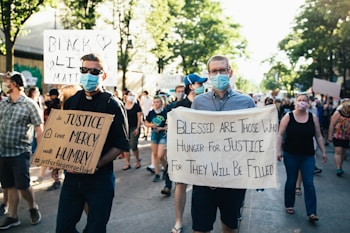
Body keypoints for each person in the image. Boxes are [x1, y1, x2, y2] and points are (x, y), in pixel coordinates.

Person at [55, 53, 129, 233]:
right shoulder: (72, 101)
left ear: (103, 76)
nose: (88, 75)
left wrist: (97, 163)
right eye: (84, 70)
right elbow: (63, 136)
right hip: (72, 178)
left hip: (99, 179)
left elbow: (121, 144)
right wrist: (56, 160)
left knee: (96, 228)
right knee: (63, 228)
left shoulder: (113, 105)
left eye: (94, 71)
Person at [191, 55, 255, 233]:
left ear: (230, 72)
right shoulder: (198, 102)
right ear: (209, 75)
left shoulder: (246, 103)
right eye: (214, 71)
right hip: (203, 177)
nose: (218, 74)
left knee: (229, 227)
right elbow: (192, 135)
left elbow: (254, 137)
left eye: (222, 70)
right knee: (200, 228)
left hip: (233, 178)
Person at [0, 72, 43, 230]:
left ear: (15, 84)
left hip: (20, 152)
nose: (4, 85)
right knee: (9, 185)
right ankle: (12, 216)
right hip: (3, 152)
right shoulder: (3, 103)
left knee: (23, 185)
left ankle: (33, 207)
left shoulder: (30, 104)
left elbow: (39, 129)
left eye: (7, 82)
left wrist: (41, 151)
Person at [166, 73, 207, 232]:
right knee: (180, 184)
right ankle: (178, 221)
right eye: (199, 84)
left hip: (204, 152)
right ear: (191, 86)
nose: (202, 86)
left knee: (202, 186)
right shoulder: (178, 107)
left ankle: (200, 220)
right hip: (183, 151)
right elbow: (168, 125)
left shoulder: (207, 104)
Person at [277, 93, 327, 222]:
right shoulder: (288, 117)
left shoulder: (313, 117)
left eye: (304, 100)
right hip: (291, 154)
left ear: (308, 103)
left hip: (308, 156)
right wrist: (278, 151)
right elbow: (280, 134)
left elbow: (319, 135)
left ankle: (312, 212)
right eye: (299, 100)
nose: (302, 102)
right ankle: (289, 204)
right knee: (291, 180)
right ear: (295, 102)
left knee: (309, 183)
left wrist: (324, 151)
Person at [33, 88, 63, 191]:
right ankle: (50, 178)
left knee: (51, 158)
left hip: (53, 135)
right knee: (51, 157)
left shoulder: (54, 106)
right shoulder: (59, 105)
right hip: (55, 135)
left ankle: (54, 179)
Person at [144, 95, 168, 183]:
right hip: (154, 134)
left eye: (158, 102)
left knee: (160, 155)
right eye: (154, 102)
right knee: (155, 154)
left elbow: (169, 125)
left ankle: (166, 169)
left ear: (161, 103)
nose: (156, 104)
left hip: (163, 135)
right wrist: (152, 125)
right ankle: (157, 174)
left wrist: (162, 128)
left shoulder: (165, 112)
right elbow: (146, 122)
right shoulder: (151, 113)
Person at [328, 99, 350, 176]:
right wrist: (330, 135)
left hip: (346, 136)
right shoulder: (338, 112)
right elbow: (332, 124)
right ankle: (338, 168)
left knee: (343, 152)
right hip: (337, 135)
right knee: (338, 151)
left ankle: (340, 165)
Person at [122, 90, 142, 170]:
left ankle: (137, 161)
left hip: (134, 127)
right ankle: (127, 163)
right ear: (125, 96)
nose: (131, 97)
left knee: (133, 145)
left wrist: (138, 128)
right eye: (130, 95)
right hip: (125, 128)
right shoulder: (122, 105)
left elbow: (139, 118)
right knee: (126, 146)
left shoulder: (136, 106)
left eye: (133, 95)